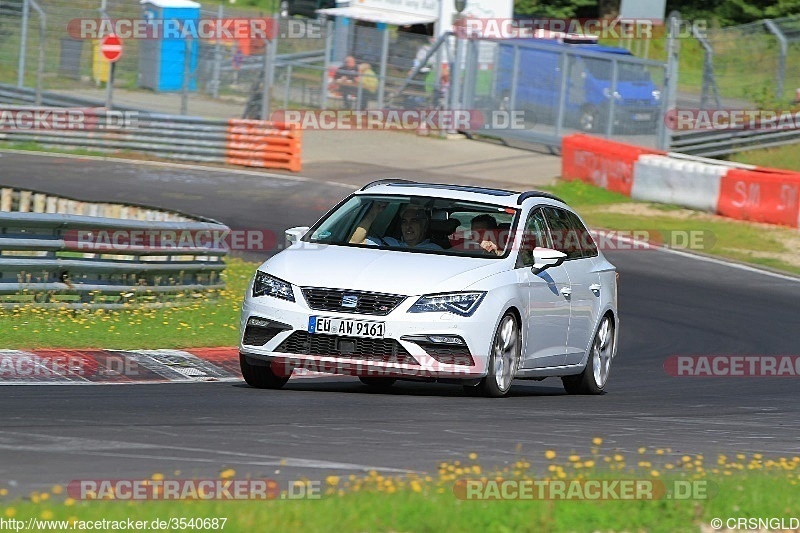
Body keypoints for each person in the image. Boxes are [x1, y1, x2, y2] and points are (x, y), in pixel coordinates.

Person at [350, 203, 442, 250]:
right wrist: (374, 211)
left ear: (424, 225)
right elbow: (355, 242)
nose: (408, 226)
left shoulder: (435, 250)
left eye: (414, 221)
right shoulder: (388, 243)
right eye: (404, 221)